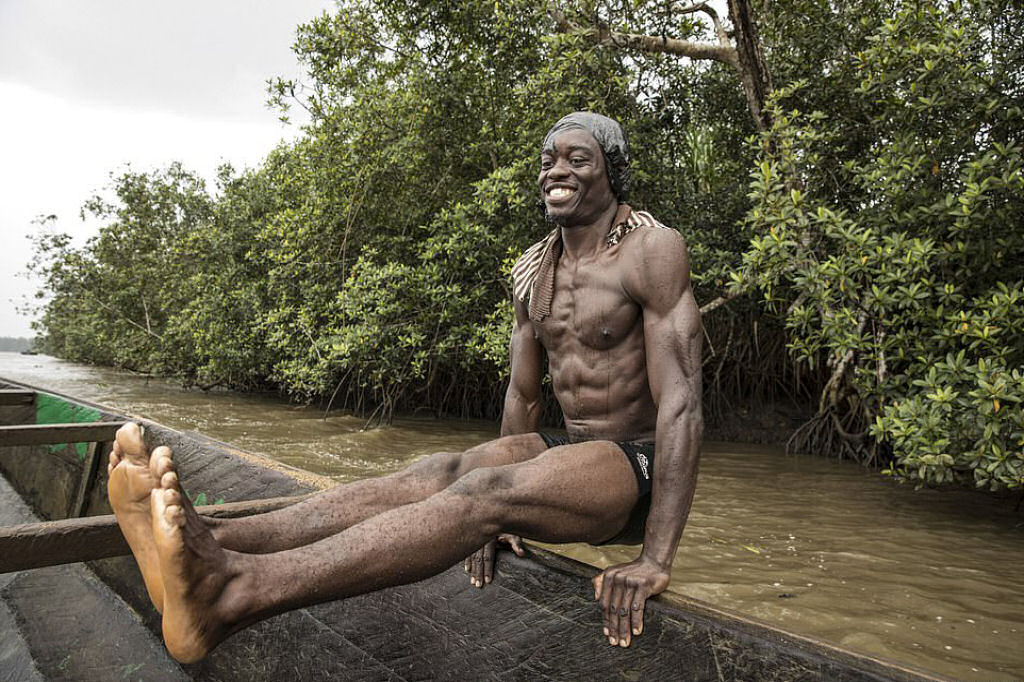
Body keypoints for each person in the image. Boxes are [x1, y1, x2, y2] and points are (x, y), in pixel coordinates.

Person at [107, 111, 703, 664]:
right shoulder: (534, 270)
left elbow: (681, 406)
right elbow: (522, 399)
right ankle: (206, 542)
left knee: (483, 491)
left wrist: (654, 557)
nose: (557, 171)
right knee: (441, 472)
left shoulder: (651, 251)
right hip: (570, 454)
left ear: (612, 173)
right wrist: (506, 517)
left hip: (637, 466)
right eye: (549, 159)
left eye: (578, 159)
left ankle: (236, 593)